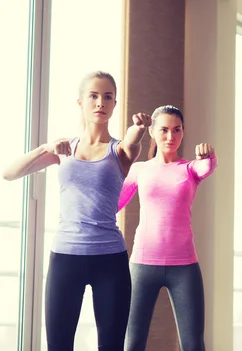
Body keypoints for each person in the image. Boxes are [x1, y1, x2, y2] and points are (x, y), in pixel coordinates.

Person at [1, 71, 150, 350]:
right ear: (80, 102)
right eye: (93, 96)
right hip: (65, 258)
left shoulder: (119, 151)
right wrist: (44, 147)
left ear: (114, 104)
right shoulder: (64, 149)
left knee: (111, 345)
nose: (100, 103)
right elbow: (9, 174)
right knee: (58, 345)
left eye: (107, 97)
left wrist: (140, 127)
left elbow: (132, 140)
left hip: (110, 260)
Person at [117, 105, 217, 351]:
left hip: (184, 267)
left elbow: (207, 168)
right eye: (163, 130)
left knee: (193, 344)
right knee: (132, 343)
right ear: (152, 132)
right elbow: (114, 203)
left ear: (183, 132)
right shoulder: (140, 169)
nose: (171, 137)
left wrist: (208, 157)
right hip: (142, 266)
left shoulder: (190, 168)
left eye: (177, 130)